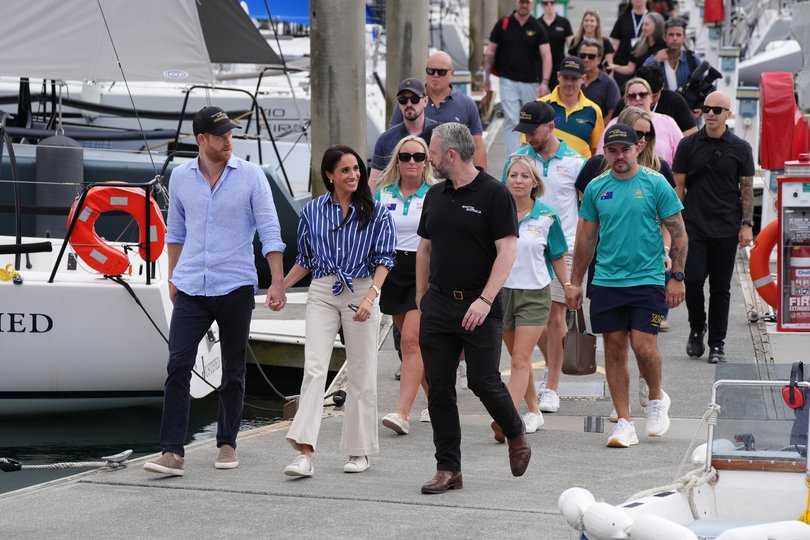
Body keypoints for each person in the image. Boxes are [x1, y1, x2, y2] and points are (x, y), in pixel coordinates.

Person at [143, 106, 286, 477]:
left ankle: (226, 443)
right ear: (201, 139)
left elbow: (270, 231)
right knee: (177, 366)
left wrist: (277, 281)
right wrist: (172, 278)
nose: (228, 140)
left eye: (230, 133)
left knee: (233, 370)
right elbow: (175, 231)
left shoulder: (252, 176)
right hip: (191, 284)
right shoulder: (180, 177)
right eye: (220, 135)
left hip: (235, 283)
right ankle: (172, 452)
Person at [417, 122, 530, 494]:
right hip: (437, 304)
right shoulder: (434, 195)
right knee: (439, 389)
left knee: (484, 381)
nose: (428, 159)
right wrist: (422, 297)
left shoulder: (494, 194)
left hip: (480, 306)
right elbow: (425, 248)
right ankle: (448, 468)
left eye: (431, 152)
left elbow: (507, 250)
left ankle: (514, 430)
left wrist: (484, 299)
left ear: (450, 154)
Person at [565, 123, 688, 448]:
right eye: (613, 150)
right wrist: (575, 282)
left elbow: (678, 232)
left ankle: (657, 397)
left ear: (638, 148)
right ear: (606, 152)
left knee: (644, 347)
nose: (620, 156)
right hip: (606, 282)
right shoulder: (596, 188)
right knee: (615, 350)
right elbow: (586, 238)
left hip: (647, 280)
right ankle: (625, 422)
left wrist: (677, 277)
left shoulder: (655, 183)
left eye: (626, 149)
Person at [282, 145, 397, 478]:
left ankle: (358, 451)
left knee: (362, 374)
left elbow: (385, 259)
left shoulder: (376, 212)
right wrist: (281, 288)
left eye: (356, 169)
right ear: (329, 175)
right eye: (345, 170)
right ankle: (304, 453)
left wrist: (370, 298)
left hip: (362, 288)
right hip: (322, 289)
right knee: (315, 368)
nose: (353, 175)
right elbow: (305, 259)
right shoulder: (312, 211)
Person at [506, 101, 585, 414]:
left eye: (532, 131)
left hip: (562, 247)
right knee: (533, 324)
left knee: (554, 317)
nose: (527, 138)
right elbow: (504, 200)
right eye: (523, 132)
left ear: (551, 127)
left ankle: (551, 385)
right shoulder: (518, 160)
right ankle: (538, 368)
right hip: (523, 245)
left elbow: (588, 208)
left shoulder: (577, 162)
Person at [672, 91, 755, 364]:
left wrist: (746, 225)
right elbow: (679, 186)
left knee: (721, 288)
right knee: (693, 281)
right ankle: (697, 327)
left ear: (728, 115)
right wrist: (675, 224)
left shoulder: (741, 148)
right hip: (693, 225)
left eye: (717, 110)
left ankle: (717, 343)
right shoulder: (688, 145)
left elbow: (746, 190)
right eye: (706, 108)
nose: (710, 113)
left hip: (726, 227)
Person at [501, 155, 569, 435]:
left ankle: (507, 420)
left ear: (534, 182)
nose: (518, 180)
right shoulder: (496, 212)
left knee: (519, 358)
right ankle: (533, 410)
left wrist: (568, 287)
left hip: (534, 293)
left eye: (524, 176)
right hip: (502, 293)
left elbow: (557, 255)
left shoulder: (547, 216)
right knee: (519, 359)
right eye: (513, 175)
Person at [376, 135, 434, 435]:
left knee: (411, 341)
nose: (412, 162)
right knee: (410, 343)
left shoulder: (435, 193)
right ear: (397, 161)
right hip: (391, 269)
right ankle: (437, 401)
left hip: (423, 269)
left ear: (427, 161)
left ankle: (402, 413)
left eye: (419, 156)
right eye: (406, 156)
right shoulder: (382, 195)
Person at [390, 52, 487, 169]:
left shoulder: (467, 104)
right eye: (430, 71)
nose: (435, 75)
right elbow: (393, 140)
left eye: (441, 72)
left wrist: (481, 179)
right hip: (416, 171)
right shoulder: (408, 102)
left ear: (452, 73)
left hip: (453, 174)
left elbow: (478, 146)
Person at [484, 0, 552, 156]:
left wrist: (545, 82)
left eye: (527, 2)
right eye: (521, 2)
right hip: (508, 80)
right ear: (516, 2)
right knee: (512, 120)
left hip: (531, 82)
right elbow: (490, 52)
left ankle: (529, 155)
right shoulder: (503, 24)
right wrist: (486, 78)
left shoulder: (537, 27)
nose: (524, 5)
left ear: (532, 4)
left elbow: (546, 56)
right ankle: (513, 158)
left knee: (530, 122)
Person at [597, 77, 682, 163]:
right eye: (632, 96)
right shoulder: (614, 124)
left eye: (643, 94)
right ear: (626, 100)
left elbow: (682, 155)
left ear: (651, 97)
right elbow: (602, 156)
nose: (638, 98)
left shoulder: (667, 122)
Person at [371, 78, 437, 188]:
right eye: (403, 100)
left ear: (425, 101)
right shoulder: (385, 139)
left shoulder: (440, 134)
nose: (409, 104)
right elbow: (374, 182)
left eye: (414, 99)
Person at [538, 55, 604, 158]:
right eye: (565, 78)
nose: (569, 83)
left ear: (583, 79)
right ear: (558, 76)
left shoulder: (594, 110)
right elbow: (527, 143)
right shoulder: (540, 106)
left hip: (581, 172)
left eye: (574, 79)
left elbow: (597, 150)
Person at [613, 65, 698, 136]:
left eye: (655, 95)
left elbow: (693, 130)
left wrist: (670, 140)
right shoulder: (625, 102)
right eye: (643, 95)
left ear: (662, 87)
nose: (651, 100)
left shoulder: (675, 100)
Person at [643, 17, 702, 95]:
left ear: (684, 37)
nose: (674, 38)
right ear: (664, 37)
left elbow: (702, 88)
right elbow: (642, 78)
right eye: (671, 34)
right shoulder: (656, 59)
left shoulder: (692, 60)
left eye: (678, 35)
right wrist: (655, 60)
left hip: (688, 106)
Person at [607, 12, 666, 81]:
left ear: (657, 26)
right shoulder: (639, 44)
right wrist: (614, 66)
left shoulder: (664, 45)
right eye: (643, 24)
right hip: (641, 83)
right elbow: (630, 69)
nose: (643, 28)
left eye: (646, 25)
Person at [579, 38, 621, 125]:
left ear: (599, 59)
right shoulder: (572, 79)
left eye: (591, 56)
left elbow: (613, 112)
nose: (586, 59)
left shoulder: (609, 83)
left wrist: (597, 129)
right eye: (583, 55)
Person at [609, 0, 649, 90]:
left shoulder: (652, 18)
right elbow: (614, 46)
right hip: (622, 65)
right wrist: (609, 64)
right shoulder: (623, 18)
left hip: (643, 66)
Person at [538, 0, 573, 92]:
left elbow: (572, 46)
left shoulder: (564, 22)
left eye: (552, 2)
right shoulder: (536, 23)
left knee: (558, 97)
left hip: (559, 66)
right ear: (541, 6)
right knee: (540, 100)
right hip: (540, 67)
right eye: (545, 3)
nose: (549, 5)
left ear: (556, 5)